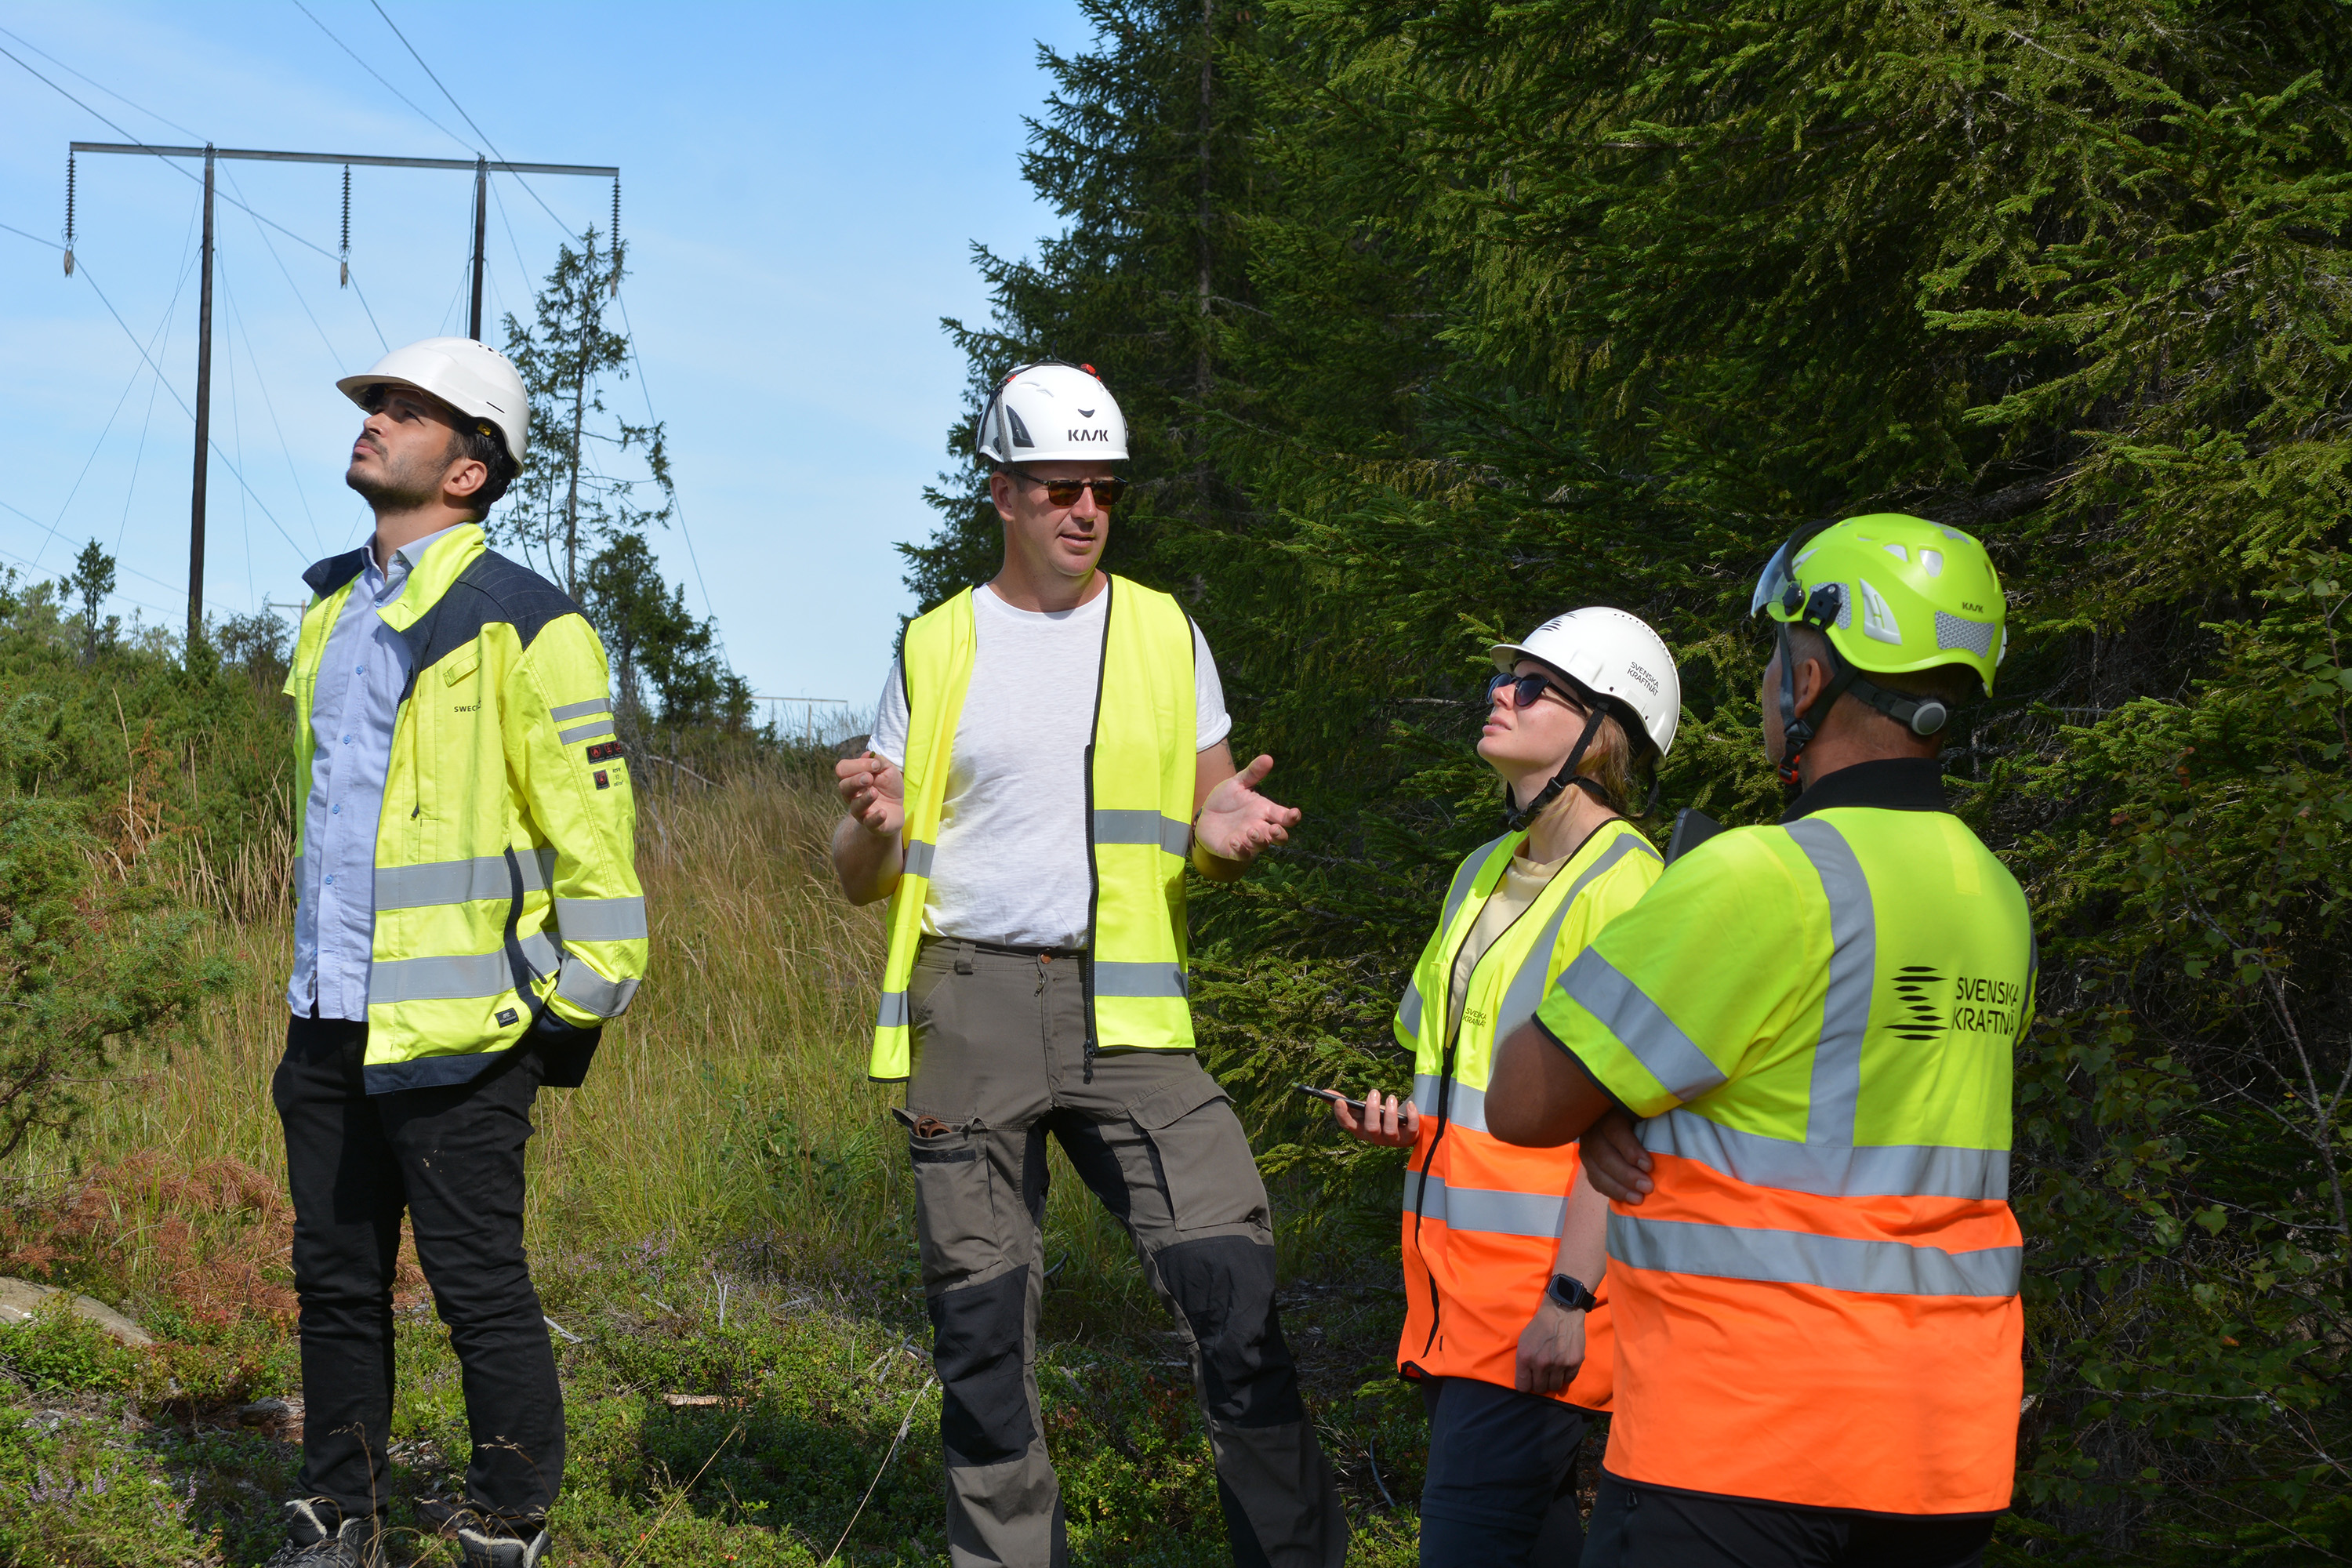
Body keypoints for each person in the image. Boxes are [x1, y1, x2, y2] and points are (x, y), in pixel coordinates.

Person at [831, 361, 1346, 1568]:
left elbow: (1213, 814)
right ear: (1001, 492)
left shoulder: (1167, 629)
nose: (1086, 510)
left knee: (1236, 1295)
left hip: (1131, 1013)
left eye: (1104, 489)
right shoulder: (937, 642)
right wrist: (874, 825)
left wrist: (1223, 835)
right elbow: (860, 871)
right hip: (970, 1004)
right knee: (981, 1336)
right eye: (1060, 485)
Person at [1477, 515, 2034, 1568]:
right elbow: (1853, 1095)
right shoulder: (1994, 896)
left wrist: (1613, 1106)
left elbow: (1524, 1102)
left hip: (1745, 1448)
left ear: (1811, 672)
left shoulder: (1764, 879)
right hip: (1941, 1455)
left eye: (1779, 652)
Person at [269, 338, 648, 1568]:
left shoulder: (530, 627)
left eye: (405, 408)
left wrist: (560, 1020)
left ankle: (506, 1523)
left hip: (468, 1035)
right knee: (334, 1286)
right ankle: (340, 1516)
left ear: (471, 470)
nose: (374, 419)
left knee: (480, 1288)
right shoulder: (332, 606)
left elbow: (597, 849)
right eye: (376, 401)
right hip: (328, 1019)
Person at [1334, 608, 1679, 1566]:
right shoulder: (1480, 871)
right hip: (1454, 1307)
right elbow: (1466, 1083)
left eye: (1532, 684)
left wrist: (1569, 1298)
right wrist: (1403, 1124)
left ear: (1600, 726)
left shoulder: (1628, 887)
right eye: (1504, 678)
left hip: (1537, 1315)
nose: (1501, 692)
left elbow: (1628, 1121)